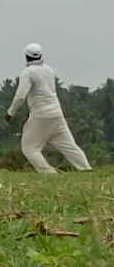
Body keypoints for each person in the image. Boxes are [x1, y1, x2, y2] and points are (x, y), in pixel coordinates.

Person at [6, 43, 91, 174]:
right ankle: (86, 169)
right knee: (69, 146)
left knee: (30, 149)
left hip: (40, 115)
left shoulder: (27, 73)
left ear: (26, 57)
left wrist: (10, 113)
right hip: (57, 114)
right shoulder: (49, 70)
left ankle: (49, 174)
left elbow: (20, 96)